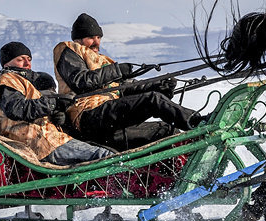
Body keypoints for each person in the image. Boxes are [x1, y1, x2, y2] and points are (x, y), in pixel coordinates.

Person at [53, 12, 202, 151]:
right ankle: (197, 123)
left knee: (167, 130)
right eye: (91, 37)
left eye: (99, 38)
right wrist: (117, 70)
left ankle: (183, 169)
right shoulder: (68, 49)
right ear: (78, 39)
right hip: (87, 116)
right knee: (152, 100)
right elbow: (82, 82)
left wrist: (157, 86)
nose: (96, 42)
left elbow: (123, 88)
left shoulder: (103, 61)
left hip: (108, 124)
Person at [0, 42, 115, 166]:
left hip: (51, 138)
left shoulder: (30, 84)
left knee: (106, 150)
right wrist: (54, 103)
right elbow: (17, 109)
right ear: (6, 63)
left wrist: (58, 114)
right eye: (20, 59)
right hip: (37, 142)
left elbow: (38, 107)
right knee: (104, 155)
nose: (27, 63)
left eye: (29, 59)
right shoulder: (6, 80)